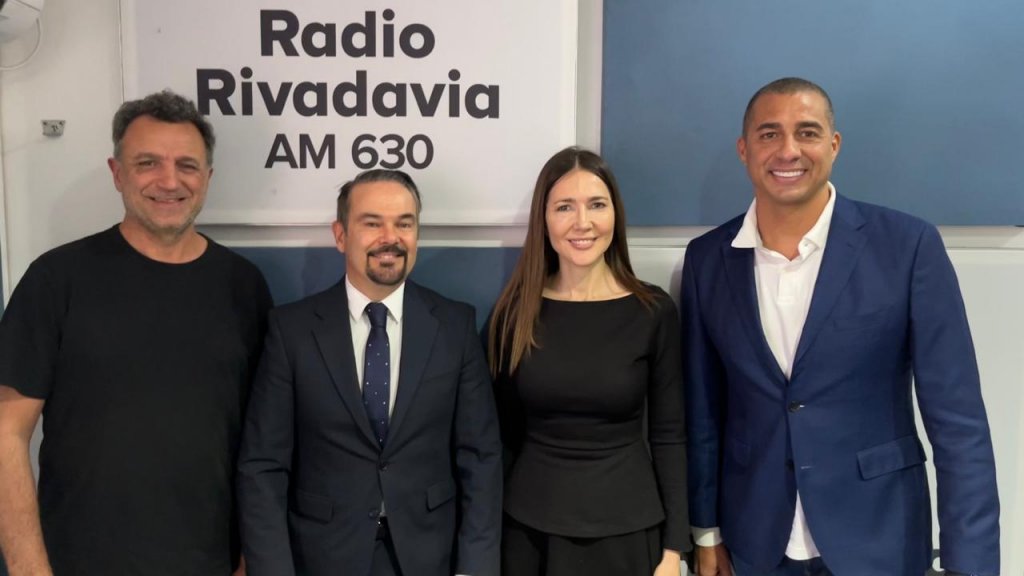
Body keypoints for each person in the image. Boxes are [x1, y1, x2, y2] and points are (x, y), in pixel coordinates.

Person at [681, 77, 999, 576]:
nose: (788, 150)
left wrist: (972, 565)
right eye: (769, 134)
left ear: (834, 144)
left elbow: (959, 425)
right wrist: (706, 531)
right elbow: (703, 413)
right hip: (753, 547)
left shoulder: (907, 246)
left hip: (879, 543)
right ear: (744, 149)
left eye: (806, 132)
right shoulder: (706, 260)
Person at [0, 90, 272, 575]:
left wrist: (251, 559)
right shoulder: (57, 279)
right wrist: (27, 570)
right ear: (117, 172)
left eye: (187, 165)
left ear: (207, 177)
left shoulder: (244, 286)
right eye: (148, 162)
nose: (169, 181)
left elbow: (263, 443)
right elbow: (6, 431)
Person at [237, 169, 502, 576]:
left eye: (404, 223)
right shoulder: (291, 331)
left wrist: (476, 569)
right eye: (372, 223)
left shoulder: (454, 325)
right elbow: (263, 466)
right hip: (322, 558)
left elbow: (480, 458)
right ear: (340, 235)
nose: (390, 237)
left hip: (430, 557)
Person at [486, 147, 688, 576]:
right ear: (544, 219)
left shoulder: (652, 311)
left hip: (630, 533)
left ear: (615, 214)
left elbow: (670, 436)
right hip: (528, 534)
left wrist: (675, 550)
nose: (583, 223)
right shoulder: (513, 315)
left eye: (597, 205)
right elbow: (499, 439)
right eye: (564, 207)